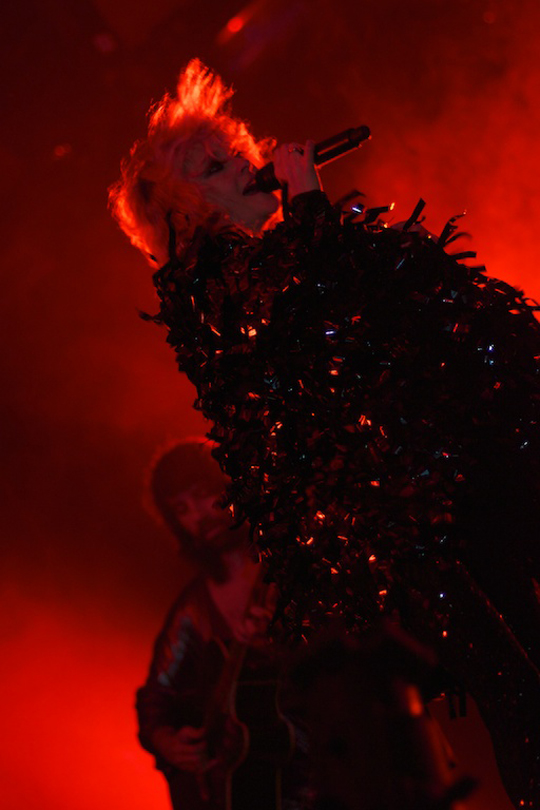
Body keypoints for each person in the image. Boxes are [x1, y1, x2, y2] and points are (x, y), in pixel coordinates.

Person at [111, 60, 540, 807]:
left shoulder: (272, 260)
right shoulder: (210, 288)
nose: (245, 165)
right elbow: (320, 317)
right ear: (187, 213)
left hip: (446, 498)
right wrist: (309, 204)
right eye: (214, 168)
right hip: (398, 536)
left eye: (235, 152)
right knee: (517, 691)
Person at [136, 439, 305, 810]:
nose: (198, 516)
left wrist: (282, 644)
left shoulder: (291, 566)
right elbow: (156, 694)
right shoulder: (192, 609)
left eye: (202, 495)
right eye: (181, 509)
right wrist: (166, 741)